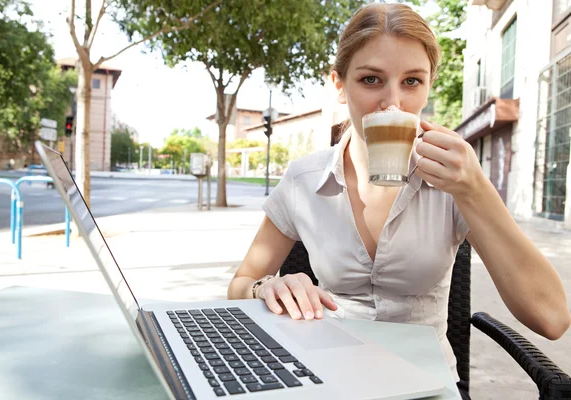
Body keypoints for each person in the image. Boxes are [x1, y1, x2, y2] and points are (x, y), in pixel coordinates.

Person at [227, 3, 570, 399]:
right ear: (340, 86)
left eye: (412, 82)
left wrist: (475, 190)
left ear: (428, 86)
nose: (393, 103)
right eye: (371, 79)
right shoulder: (304, 181)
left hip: (426, 386)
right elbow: (240, 283)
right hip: (330, 379)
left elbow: (552, 319)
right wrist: (267, 287)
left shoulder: (455, 181)